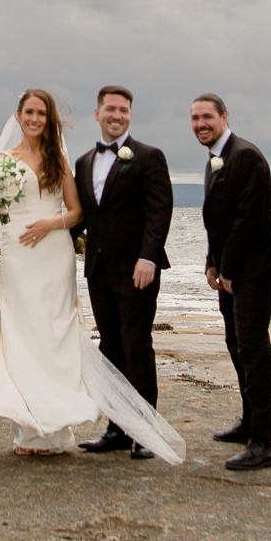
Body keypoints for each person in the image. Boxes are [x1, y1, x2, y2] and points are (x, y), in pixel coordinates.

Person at [0, 90, 185, 462]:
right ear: (19, 115)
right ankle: (43, 425)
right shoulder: (7, 162)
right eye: (30, 112)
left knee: (73, 337)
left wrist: (49, 225)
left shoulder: (63, 160)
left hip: (57, 253)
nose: (35, 118)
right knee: (30, 335)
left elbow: (78, 212)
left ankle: (137, 429)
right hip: (22, 255)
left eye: (42, 113)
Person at [71, 85, 173, 460]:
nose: (117, 115)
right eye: (111, 109)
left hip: (137, 271)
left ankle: (146, 432)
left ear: (130, 115)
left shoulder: (149, 157)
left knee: (136, 346)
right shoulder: (83, 162)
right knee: (110, 349)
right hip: (98, 270)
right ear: (97, 113)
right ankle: (116, 428)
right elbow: (80, 217)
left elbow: (158, 212)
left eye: (124, 110)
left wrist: (148, 257)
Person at [192, 92, 271, 471]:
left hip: (257, 268)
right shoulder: (214, 159)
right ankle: (249, 421)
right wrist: (211, 263)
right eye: (195, 118)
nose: (201, 124)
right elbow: (218, 221)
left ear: (224, 117)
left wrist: (228, 267)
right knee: (235, 344)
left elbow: (251, 220)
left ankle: (263, 443)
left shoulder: (246, 155)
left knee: (253, 348)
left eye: (207, 117)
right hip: (230, 269)